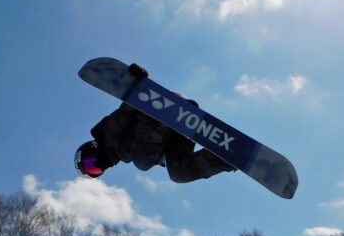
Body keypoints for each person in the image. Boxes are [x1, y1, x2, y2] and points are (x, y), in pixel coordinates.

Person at [74, 63, 236, 183]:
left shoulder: (108, 134)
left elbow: (125, 113)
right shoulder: (126, 153)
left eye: (90, 162)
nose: (98, 165)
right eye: (95, 170)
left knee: (142, 164)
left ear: (92, 147)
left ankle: (164, 116)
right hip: (178, 129)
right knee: (178, 175)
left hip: (161, 108)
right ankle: (227, 157)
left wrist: (136, 85)